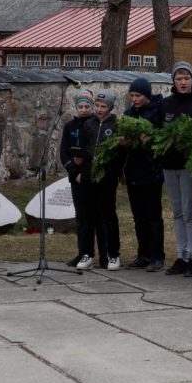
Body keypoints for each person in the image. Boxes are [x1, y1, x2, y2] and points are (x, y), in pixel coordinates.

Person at [159, 61, 192, 277]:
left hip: (190, 164)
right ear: (173, 81)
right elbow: (159, 130)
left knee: (190, 211)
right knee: (177, 212)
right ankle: (181, 256)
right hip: (169, 164)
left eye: (186, 78)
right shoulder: (166, 104)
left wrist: (188, 139)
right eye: (179, 78)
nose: (183, 82)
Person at [121, 77, 165, 272]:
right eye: (132, 95)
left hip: (151, 171)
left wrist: (145, 140)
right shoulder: (128, 114)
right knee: (138, 216)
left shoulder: (157, 112)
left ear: (146, 95)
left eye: (138, 95)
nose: (134, 99)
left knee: (153, 216)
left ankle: (157, 255)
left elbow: (160, 142)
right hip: (133, 171)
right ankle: (143, 254)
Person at [80, 89, 121, 270]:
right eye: (97, 105)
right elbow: (83, 147)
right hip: (89, 176)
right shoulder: (88, 124)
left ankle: (113, 255)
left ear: (110, 108)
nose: (99, 109)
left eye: (103, 106)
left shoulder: (116, 125)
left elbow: (120, 152)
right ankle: (88, 254)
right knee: (89, 216)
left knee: (108, 216)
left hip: (107, 177)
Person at [60, 89, 95, 269]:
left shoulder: (95, 125)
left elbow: (93, 151)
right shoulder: (70, 127)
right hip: (76, 178)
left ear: (92, 107)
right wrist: (73, 171)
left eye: (87, 106)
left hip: (91, 177)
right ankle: (82, 252)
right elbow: (64, 151)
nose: (83, 110)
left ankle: (94, 254)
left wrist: (85, 171)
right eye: (80, 106)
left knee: (93, 217)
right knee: (81, 217)